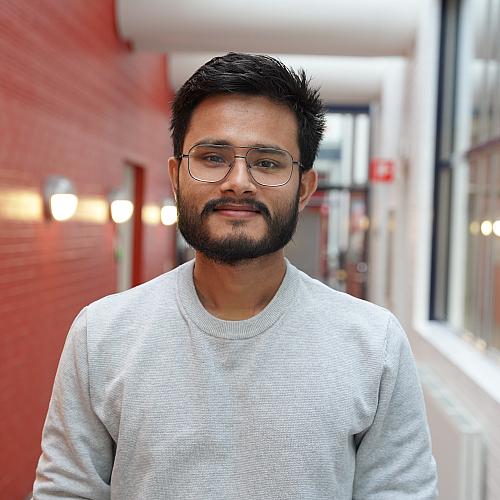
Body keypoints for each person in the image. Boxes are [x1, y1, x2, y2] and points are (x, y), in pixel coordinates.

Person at [33, 52, 437, 499]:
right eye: (212, 157)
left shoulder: (373, 344)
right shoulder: (102, 335)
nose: (238, 181)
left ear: (304, 188)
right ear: (176, 177)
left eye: (267, 162)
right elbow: (66, 490)